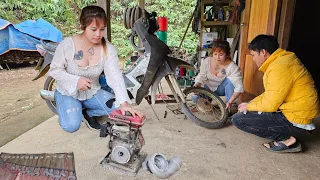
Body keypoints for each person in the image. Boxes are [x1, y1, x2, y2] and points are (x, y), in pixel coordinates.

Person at [48, 5, 143, 133]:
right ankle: (66, 105)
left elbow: (115, 76)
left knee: (118, 110)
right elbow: (54, 70)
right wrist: (76, 81)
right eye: (93, 29)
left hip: (92, 92)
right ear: (83, 27)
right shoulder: (67, 45)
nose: (98, 34)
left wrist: (124, 103)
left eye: (102, 29)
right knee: (71, 126)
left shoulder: (107, 48)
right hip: (68, 92)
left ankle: (89, 113)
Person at [232, 34, 319, 153]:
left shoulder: (279, 67)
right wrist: (250, 103)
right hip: (297, 111)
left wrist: (248, 106)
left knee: (238, 119)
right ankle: (291, 133)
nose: (253, 59)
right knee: (251, 108)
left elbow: (270, 104)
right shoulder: (282, 61)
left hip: (297, 118)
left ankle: (287, 140)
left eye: (253, 55)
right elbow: (269, 94)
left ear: (263, 52)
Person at [193, 40, 244, 111]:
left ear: (227, 54)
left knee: (230, 82)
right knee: (195, 98)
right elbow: (201, 75)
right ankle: (208, 101)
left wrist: (230, 101)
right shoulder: (207, 61)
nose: (217, 57)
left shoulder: (232, 67)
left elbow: (239, 87)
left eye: (221, 54)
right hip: (207, 88)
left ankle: (228, 107)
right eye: (215, 54)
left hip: (221, 89)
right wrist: (198, 83)